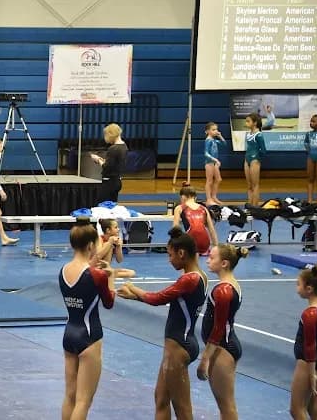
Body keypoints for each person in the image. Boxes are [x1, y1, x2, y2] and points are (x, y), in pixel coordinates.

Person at [118, 227, 208, 420]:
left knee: (183, 409)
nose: (169, 260)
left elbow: (159, 298)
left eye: (170, 255)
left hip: (179, 347)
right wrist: (133, 298)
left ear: (182, 253)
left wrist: (134, 288)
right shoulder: (199, 275)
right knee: (161, 398)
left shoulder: (189, 279)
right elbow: (169, 301)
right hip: (180, 343)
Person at [59, 221, 115, 420]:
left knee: (70, 396)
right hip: (89, 338)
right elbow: (109, 303)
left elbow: (80, 286)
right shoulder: (97, 275)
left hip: (69, 335)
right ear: (91, 245)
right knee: (83, 401)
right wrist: (111, 277)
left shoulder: (63, 271)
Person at [197, 243, 248, 420]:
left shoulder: (224, 290)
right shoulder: (230, 284)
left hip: (222, 348)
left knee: (226, 407)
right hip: (226, 344)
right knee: (225, 406)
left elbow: (218, 328)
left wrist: (205, 358)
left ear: (224, 263)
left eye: (212, 257)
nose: (208, 260)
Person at [291, 266, 317, 420]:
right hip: (314, 361)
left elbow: (310, 346)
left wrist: (311, 373)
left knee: (297, 409)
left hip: (307, 363)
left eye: (298, 284)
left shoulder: (310, 313)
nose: (297, 288)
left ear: (309, 289)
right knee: (314, 410)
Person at [173, 186, 218, 256]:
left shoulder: (179, 208)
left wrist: (175, 249)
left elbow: (175, 230)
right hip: (205, 242)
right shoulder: (204, 208)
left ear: (183, 197)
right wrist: (216, 247)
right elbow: (212, 230)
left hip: (190, 242)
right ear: (195, 198)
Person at [90, 123, 127, 204]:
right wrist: (103, 160)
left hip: (109, 183)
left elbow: (106, 167)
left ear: (111, 134)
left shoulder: (113, 149)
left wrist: (97, 159)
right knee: (112, 206)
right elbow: (114, 164)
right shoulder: (124, 146)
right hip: (117, 180)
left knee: (102, 207)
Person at [244, 113, 266, 206]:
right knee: (249, 186)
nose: (246, 123)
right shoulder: (248, 134)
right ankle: (250, 206)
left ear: (255, 123)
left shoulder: (259, 135)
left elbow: (264, 150)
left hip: (254, 160)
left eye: (248, 121)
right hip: (247, 159)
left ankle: (255, 206)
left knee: (255, 185)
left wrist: (256, 158)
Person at [204, 122, 226, 206]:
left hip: (214, 163)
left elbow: (224, 144)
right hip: (209, 163)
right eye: (213, 130)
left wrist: (220, 136)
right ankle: (208, 199)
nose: (216, 131)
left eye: (216, 129)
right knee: (209, 181)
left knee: (218, 179)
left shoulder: (214, 140)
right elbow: (206, 153)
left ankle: (214, 196)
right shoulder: (208, 141)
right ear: (207, 131)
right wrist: (215, 160)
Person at [304, 115, 317, 203]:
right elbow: (306, 143)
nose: (311, 123)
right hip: (310, 157)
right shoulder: (308, 134)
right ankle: (309, 200)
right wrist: (309, 150)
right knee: (310, 179)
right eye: (311, 121)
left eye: (313, 121)